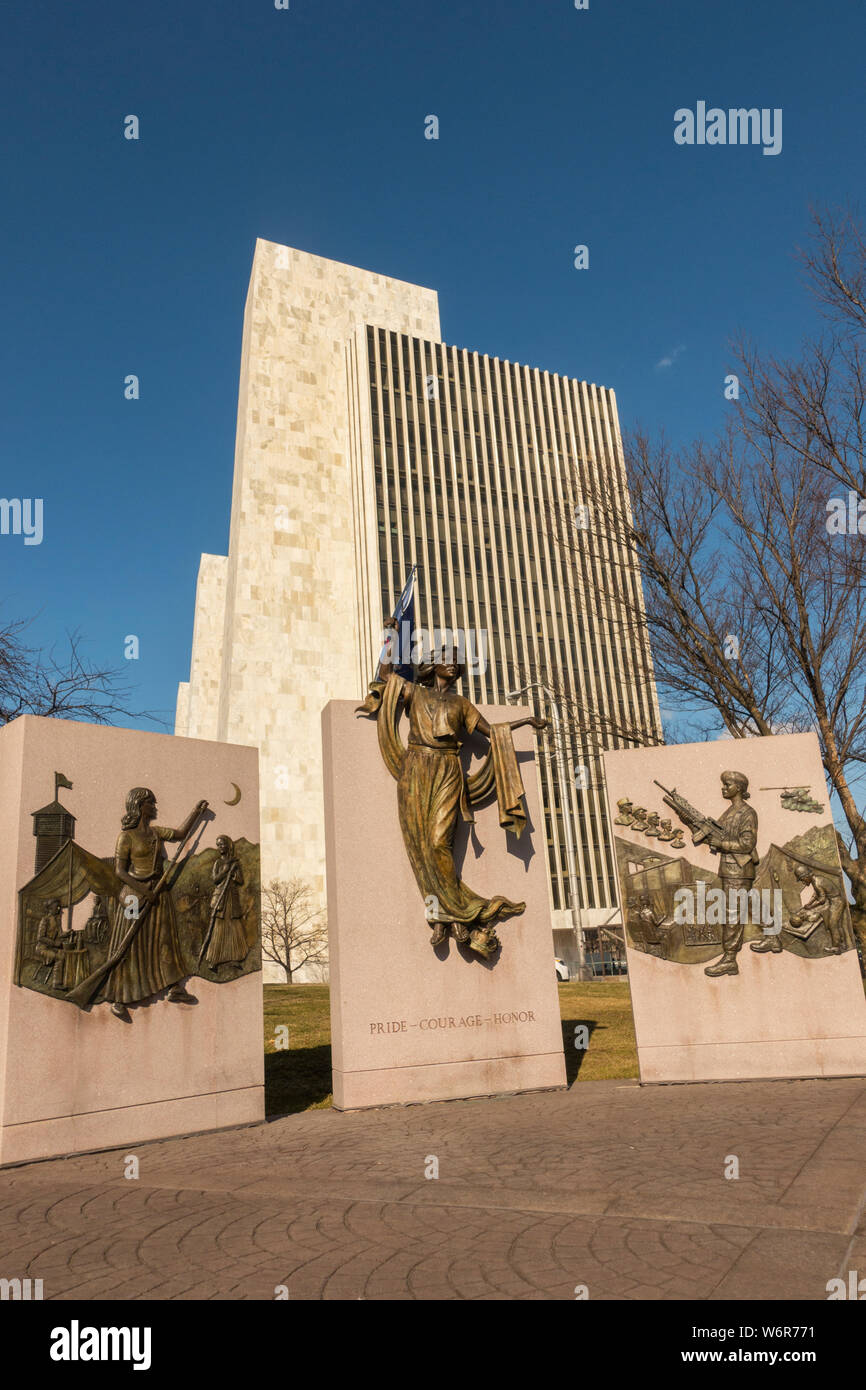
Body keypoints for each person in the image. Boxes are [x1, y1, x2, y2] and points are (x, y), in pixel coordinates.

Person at [359, 626, 546, 957]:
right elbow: (386, 676)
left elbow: (492, 732)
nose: (453, 664)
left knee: (438, 842)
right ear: (434, 665)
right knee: (420, 847)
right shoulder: (413, 693)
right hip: (416, 768)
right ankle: (445, 918)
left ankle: (454, 913)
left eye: (457, 662)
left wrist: (525, 722)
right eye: (447, 659)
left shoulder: (461, 704)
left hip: (448, 771)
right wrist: (392, 638)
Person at [104, 788, 207, 1018]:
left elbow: (180, 834)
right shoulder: (126, 837)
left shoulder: (156, 833)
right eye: (151, 803)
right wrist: (143, 890)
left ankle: (173, 987)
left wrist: (196, 812)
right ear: (140, 806)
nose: (155, 807)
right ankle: (119, 998)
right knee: (128, 942)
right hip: (133, 895)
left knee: (164, 939)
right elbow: (120, 871)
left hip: (158, 892)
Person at [703, 771, 760, 977]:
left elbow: (747, 844)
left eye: (727, 785)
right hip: (729, 870)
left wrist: (722, 844)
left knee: (733, 915)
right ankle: (773, 935)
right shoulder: (728, 813)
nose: (723, 788)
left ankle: (729, 959)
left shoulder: (747, 813)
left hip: (739, 871)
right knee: (737, 911)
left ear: (739, 787)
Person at [202, 835, 247, 968]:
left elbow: (240, 881)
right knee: (219, 927)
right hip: (220, 898)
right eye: (218, 845)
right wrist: (225, 870)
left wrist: (234, 874)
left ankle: (235, 958)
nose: (220, 847)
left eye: (222, 844)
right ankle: (215, 959)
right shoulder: (218, 863)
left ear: (228, 845)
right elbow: (215, 879)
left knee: (233, 926)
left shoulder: (235, 862)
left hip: (231, 898)